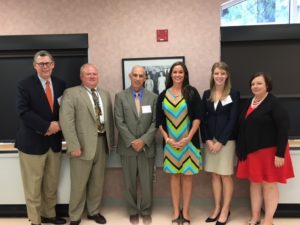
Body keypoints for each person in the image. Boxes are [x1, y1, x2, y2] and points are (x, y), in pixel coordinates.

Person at [15, 50, 66, 225]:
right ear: (34, 66)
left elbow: (65, 110)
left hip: (54, 143)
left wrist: (59, 125)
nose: (45, 66)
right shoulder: (24, 85)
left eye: (48, 63)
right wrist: (47, 126)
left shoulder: (60, 84)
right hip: (32, 143)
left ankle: (48, 215)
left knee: (51, 185)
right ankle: (35, 220)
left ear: (53, 64)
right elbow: (23, 112)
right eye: (41, 63)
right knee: (33, 187)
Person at [236, 72, 294, 225]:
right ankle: (255, 217)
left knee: (269, 185)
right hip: (252, 151)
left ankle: (268, 220)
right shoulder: (250, 102)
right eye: (253, 84)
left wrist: (280, 154)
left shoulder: (274, 103)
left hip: (271, 152)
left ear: (267, 85)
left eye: (259, 83)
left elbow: (283, 128)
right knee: (254, 183)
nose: (255, 86)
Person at [59, 63, 114, 225]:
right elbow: (66, 121)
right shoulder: (71, 93)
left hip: (102, 143)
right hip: (81, 146)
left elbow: (108, 119)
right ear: (81, 77)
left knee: (97, 183)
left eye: (95, 74)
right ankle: (75, 216)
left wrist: (111, 143)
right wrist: (73, 145)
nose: (92, 77)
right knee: (79, 184)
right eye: (88, 74)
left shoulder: (104, 94)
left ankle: (93, 211)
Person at [156, 62, 202, 225]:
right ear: (171, 75)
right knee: (174, 177)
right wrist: (167, 139)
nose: (177, 74)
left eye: (180, 72)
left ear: (185, 74)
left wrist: (188, 138)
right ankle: (176, 211)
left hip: (189, 143)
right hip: (170, 144)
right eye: (175, 72)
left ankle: (186, 212)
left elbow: (197, 118)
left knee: (188, 177)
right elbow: (159, 122)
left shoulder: (192, 92)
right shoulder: (162, 95)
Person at [114, 65, 157, 225]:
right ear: (130, 76)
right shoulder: (120, 96)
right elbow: (119, 121)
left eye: (141, 76)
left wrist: (143, 140)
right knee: (130, 183)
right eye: (135, 75)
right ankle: (132, 211)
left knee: (147, 184)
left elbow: (155, 122)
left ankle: (145, 211)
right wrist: (133, 141)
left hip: (146, 148)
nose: (138, 78)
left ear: (145, 78)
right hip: (127, 148)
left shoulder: (153, 97)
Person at [200, 62, 239, 225]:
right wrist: (208, 140)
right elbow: (202, 119)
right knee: (214, 175)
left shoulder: (234, 94)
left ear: (227, 75)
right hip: (210, 141)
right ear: (212, 75)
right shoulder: (207, 93)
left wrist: (221, 142)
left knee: (225, 175)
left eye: (223, 73)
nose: (219, 76)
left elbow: (233, 120)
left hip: (226, 142)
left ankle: (225, 209)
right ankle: (216, 207)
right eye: (217, 73)